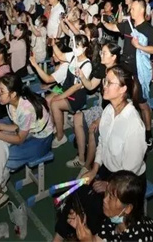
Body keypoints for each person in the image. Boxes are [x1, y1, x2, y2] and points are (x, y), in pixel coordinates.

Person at [53, 66, 147, 241]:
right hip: (107, 172)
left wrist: (108, 185)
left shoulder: (134, 125)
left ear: (123, 89)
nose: (104, 85)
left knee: (95, 209)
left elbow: (130, 173)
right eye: (105, 81)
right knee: (78, 194)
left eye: (109, 83)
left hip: (126, 184)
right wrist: (94, 170)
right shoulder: (109, 110)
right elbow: (102, 143)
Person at [0, 74, 54, 218]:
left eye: (1, 91)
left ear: (13, 94)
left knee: (4, 156)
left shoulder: (25, 109)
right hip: (28, 132)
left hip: (41, 140)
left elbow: (19, 139)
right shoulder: (12, 103)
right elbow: (18, 126)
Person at [102, 0, 153, 152]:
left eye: (133, 8)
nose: (130, 10)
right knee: (121, 99)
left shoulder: (149, 29)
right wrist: (103, 22)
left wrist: (139, 46)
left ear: (142, 10)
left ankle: (148, 133)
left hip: (138, 72)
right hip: (125, 68)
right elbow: (113, 27)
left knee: (142, 103)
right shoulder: (128, 24)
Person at [67, 170, 153, 242]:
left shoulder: (137, 237)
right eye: (106, 192)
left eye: (111, 197)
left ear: (127, 208)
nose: (105, 200)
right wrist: (83, 228)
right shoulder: (115, 219)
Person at [68, 42, 121, 174]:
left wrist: (100, 120)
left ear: (113, 57)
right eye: (101, 52)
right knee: (77, 117)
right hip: (104, 109)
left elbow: (118, 106)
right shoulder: (102, 69)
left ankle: (87, 167)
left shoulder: (118, 75)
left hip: (114, 114)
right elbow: (90, 86)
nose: (100, 55)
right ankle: (81, 158)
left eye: (104, 53)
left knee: (93, 128)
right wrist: (82, 76)